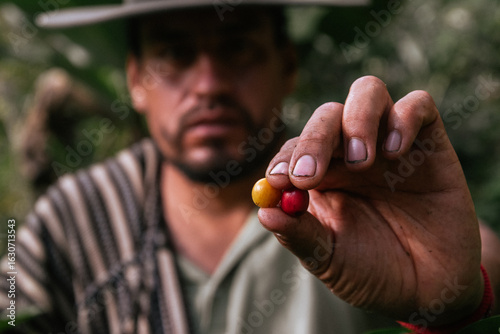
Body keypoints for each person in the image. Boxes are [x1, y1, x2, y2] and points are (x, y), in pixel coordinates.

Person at [1, 0, 499, 333]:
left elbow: (473, 264)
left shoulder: (360, 202)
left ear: (286, 66)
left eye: (237, 47)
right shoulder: (70, 218)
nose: (209, 85)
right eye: (174, 53)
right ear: (135, 79)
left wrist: (454, 303)